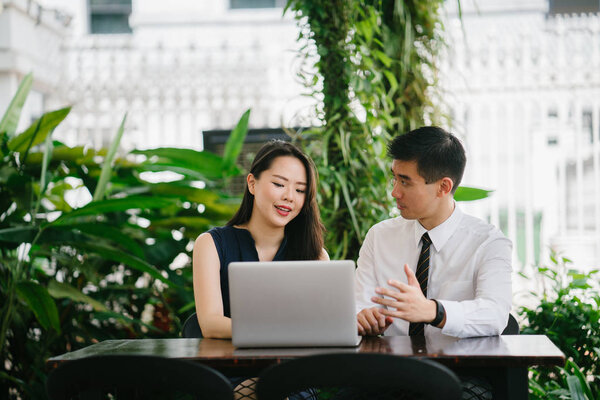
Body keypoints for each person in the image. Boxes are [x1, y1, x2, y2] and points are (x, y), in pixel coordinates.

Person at [355, 126, 512, 339]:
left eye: (405, 181)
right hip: (389, 366)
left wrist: (432, 311)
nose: (394, 192)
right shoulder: (379, 236)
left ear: (443, 187)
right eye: (394, 178)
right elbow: (358, 304)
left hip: (458, 368)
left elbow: (495, 314)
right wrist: (363, 317)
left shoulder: (488, 243)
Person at [193, 139, 328, 339]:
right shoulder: (211, 244)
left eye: (300, 190)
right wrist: (278, 332)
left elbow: (325, 324)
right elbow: (211, 324)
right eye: (279, 184)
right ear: (252, 184)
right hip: (232, 365)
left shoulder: (315, 255)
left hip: (295, 365)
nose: (290, 196)